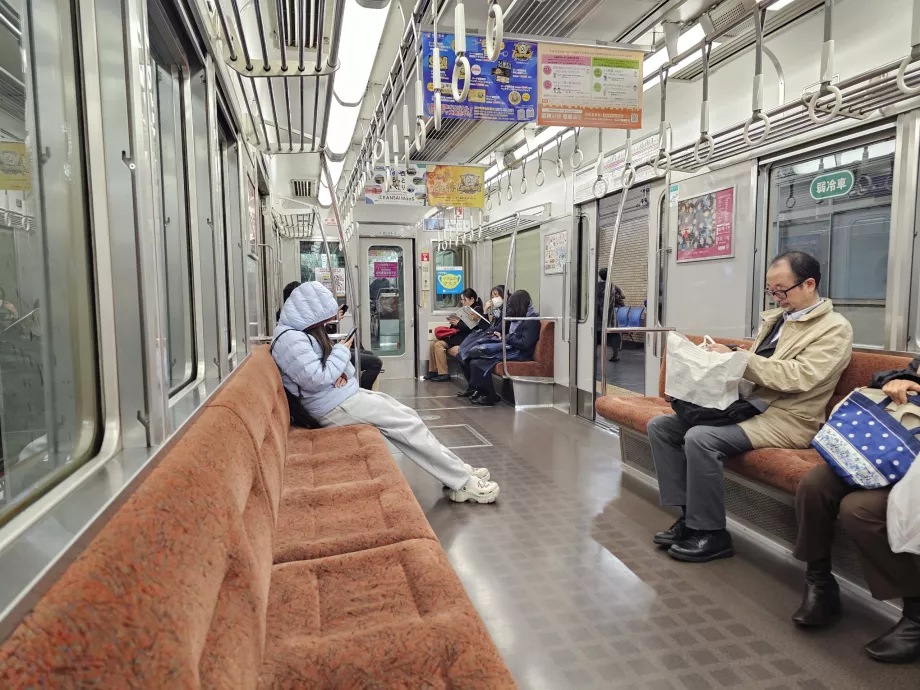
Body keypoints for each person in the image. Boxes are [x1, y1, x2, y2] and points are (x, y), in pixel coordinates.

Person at [647, 251, 853, 563]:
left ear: (809, 284)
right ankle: (690, 518)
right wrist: (727, 353)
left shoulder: (834, 328)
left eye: (781, 290)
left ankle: (712, 533)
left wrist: (740, 360)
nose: (776, 297)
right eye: (772, 291)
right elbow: (758, 364)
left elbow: (801, 376)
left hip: (789, 418)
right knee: (661, 427)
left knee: (700, 438)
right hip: (750, 406)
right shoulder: (776, 321)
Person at [272, 282, 500, 503]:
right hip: (330, 406)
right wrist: (342, 350)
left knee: (409, 416)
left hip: (337, 397)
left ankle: (456, 469)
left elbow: (339, 372)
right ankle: (462, 482)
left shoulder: (298, 335)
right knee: (406, 425)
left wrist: (338, 370)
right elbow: (317, 378)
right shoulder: (290, 340)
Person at [790, 351, 920, 663]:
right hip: (898, 450)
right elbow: (889, 379)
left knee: (860, 509)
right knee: (815, 485)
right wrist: (905, 380)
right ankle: (820, 582)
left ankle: (916, 615)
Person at [280, 280, 382, 391]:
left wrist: (331, 322)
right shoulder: (295, 329)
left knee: (366, 353)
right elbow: (317, 375)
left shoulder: (296, 321)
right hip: (327, 354)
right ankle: (362, 389)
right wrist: (341, 349)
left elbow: (321, 339)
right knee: (375, 362)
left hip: (327, 351)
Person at [465, 290, 541, 407]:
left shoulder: (531, 320)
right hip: (512, 348)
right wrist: (503, 337)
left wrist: (506, 337)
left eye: (512, 305)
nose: (510, 308)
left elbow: (525, 343)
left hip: (520, 353)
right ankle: (484, 392)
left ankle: (490, 396)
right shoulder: (519, 318)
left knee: (478, 362)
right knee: (474, 361)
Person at [424, 288, 484, 383]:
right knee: (433, 343)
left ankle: (444, 373)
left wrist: (458, 323)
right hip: (459, 335)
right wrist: (453, 321)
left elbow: (470, 327)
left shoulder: (476, 310)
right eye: (461, 300)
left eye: (464, 300)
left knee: (438, 345)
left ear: (472, 299)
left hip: (466, 338)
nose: (462, 302)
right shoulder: (465, 309)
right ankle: (433, 370)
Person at [456, 286, 504, 398]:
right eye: (492, 296)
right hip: (489, 336)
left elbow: (493, 328)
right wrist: (486, 312)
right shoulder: (496, 311)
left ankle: (481, 390)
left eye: (497, 295)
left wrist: (482, 315)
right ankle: (473, 387)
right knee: (460, 356)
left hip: (494, 339)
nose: (494, 299)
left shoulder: (506, 312)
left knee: (472, 358)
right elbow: (487, 326)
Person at [596, 269, 625, 362]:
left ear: (600, 276)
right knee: (614, 334)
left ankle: (593, 353)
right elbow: (622, 296)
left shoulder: (596, 286)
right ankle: (615, 355)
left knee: (596, 334)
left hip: (598, 314)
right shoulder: (613, 286)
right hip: (611, 314)